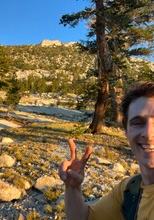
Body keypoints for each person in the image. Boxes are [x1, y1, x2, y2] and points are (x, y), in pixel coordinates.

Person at [58, 81, 154, 220]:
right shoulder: (128, 190)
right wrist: (72, 187)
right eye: (138, 123)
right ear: (126, 131)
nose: (148, 133)